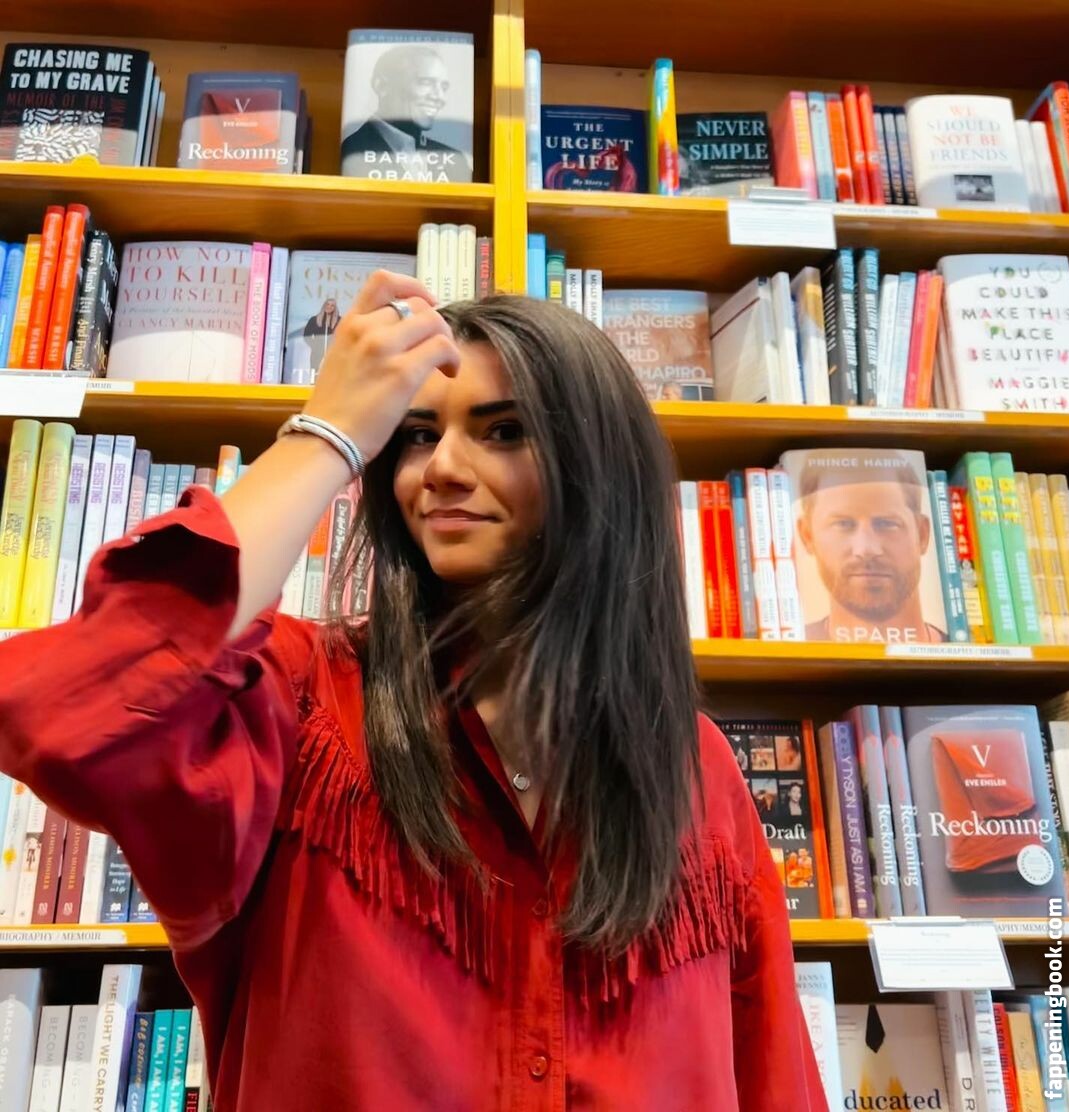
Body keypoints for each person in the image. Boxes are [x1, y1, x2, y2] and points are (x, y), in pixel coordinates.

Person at [0, 272, 826, 1111]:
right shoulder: (299, 707)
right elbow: (61, 711)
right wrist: (327, 435)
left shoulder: (693, 769)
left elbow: (775, 1080)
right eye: (417, 436)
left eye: (504, 431)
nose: (444, 470)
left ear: (599, 470)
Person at [795, 456, 947, 644]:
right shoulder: (790, 647)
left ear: (922, 534)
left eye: (887, 523)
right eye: (843, 524)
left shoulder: (961, 647)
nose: (866, 549)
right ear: (807, 535)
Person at [341, 44, 469, 182]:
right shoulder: (352, 152)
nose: (439, 97)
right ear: (382, 86)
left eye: (443, 87)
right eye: (425, 82)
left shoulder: (456, 161)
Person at [302, 297, 341, 374]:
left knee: (331, 374)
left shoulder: (339, 321)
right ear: (324, 305)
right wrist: (315, 345)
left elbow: (344, 336)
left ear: (335, 308)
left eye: (332, 305)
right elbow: (306, 335)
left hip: (332, 353)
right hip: (317, 353)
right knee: (315, 373)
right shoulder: (314, 320)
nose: (329, 307)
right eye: (327, 304)